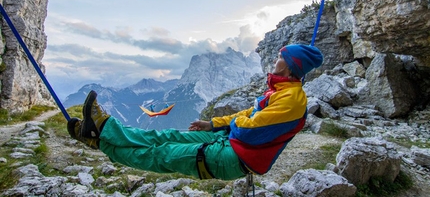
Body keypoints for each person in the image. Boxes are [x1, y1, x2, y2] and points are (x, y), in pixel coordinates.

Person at [67, 44, 323, 180]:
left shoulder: (292, 100)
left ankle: (98, 140)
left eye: (281, 56)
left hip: (233, 157)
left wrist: (239, 122)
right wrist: (212, 124)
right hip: (225, 141)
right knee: (163, 136)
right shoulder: (278, 92)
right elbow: (246, 117)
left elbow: (248, 131)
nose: (276, 57)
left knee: (162, 154)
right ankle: (103, 127)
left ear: (289, 67)